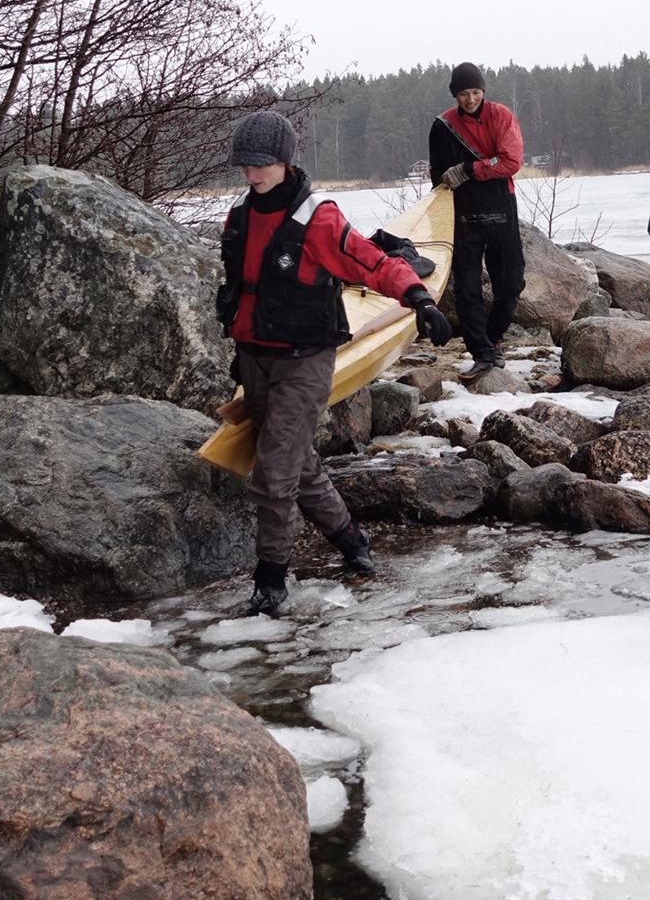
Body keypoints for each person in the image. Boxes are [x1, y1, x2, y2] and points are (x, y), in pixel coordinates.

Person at [217, 110, 452, 617]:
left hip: (306, 361)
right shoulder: (239, 213)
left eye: (262, 164)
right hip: (255, 359)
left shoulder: (318, 219)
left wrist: (419, 299)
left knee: (275, 472)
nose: (252, 174)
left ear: (285, 161)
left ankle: (270, 585)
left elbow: (372, 261)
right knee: (298, 466)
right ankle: (352, 540)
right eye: (245, 165)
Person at [429, 62, 526, 380]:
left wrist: (471, 170)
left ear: (483, 91)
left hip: (501, 207)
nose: (470, 99)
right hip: (463, 214)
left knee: (511, 283)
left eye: (475, 92)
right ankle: (481, 352)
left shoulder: (501, 116)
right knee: (467, 289)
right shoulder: (443, 126)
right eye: (463, 93)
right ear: (455, 94)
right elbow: (438, 177)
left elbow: (511, 161)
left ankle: (493, 339)